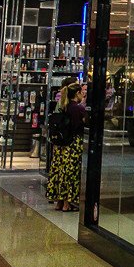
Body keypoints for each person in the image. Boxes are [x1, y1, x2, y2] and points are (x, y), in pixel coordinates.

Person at [46, 81, 86, 212]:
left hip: (60, 145)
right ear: (77, 93)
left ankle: (59, 201)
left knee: (59, 171)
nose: (83, 94)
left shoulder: (63, 106)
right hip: (72, 145)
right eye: (82, 92)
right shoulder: (78, 109)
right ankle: (67, 203)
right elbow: (84, 123)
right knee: (70, 173)